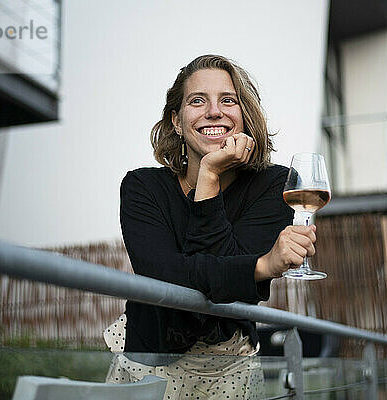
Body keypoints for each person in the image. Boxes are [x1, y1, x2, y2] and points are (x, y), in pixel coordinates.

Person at [105, 54, 317, 399]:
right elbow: (164, 279)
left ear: (244, 116)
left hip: (230, 372)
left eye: (228, 100)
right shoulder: (142, 187)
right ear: (177, 121)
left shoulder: (273, 184)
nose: (214, 111)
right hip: (146, 365)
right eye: (197, 100)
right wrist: (260, 267)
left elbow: (224, 285)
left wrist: (208, 178)